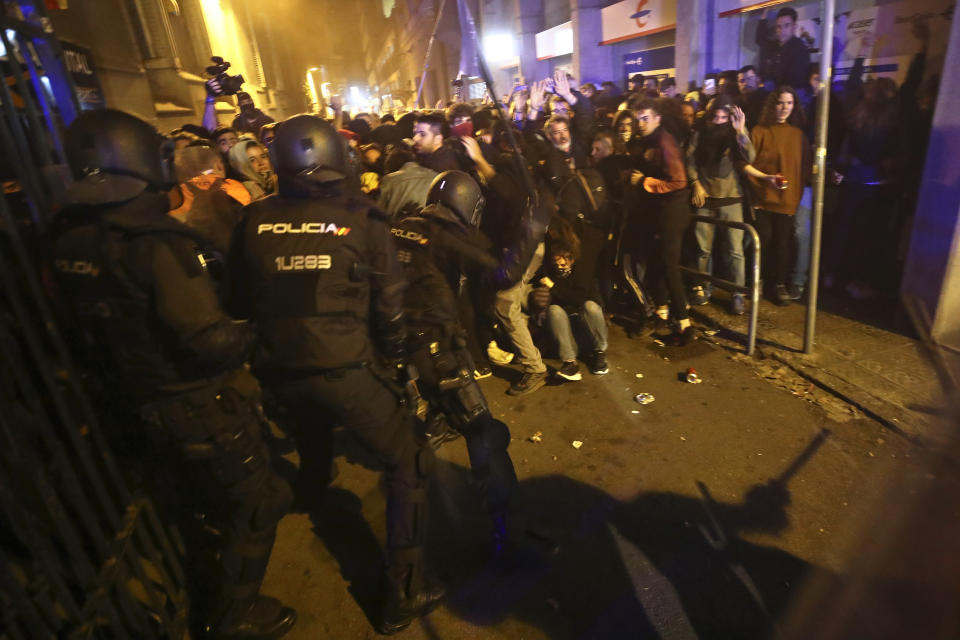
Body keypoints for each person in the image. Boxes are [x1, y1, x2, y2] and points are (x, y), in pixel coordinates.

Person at [49, 109, 296, 640]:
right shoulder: (153, 241)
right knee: (259, 500)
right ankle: (231, 617)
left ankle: (202, 581)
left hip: (125, 398)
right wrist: (257, 332)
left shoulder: (67, 234)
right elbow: (206, 338)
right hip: (193, 402)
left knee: (190, 503)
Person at [228, 115, 444, 634]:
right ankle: (403, 590)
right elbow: (390, 304)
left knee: (310, 423)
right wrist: (394, 362)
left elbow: (236, 300)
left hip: (277, 368)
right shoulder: (363, 216)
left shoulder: (253, 221)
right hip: (343, 367)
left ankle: (314, 484)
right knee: (408, 459)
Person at [391, 170, 545, 554]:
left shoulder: (402, 226)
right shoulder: (441, 235)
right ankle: (510, 536)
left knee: (431, 419)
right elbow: (504, 273)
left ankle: (436, 427)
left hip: (399, 349)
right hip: (436, 352)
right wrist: (534, 224)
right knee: (485, 436)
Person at [686, 104, 770, 315]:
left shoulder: (735, 135)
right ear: (709, 118)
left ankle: (737, 294)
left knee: (735, 250)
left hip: (731, 199)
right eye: (717, 116)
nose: (720, 121)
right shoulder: (700, 134)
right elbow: (689, 159)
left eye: (725, 117)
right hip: (705, 199)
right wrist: (695, 182)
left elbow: (749, 157)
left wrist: (741, 130)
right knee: (702, 249)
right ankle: (703, 287)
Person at [626, 99, 698, 343]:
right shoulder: (649, 141)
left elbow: (678, 181)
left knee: (669, 265)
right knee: (657, 263)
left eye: (645, 118)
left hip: (672, 212)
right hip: (660, 211)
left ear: (657, 118)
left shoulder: (663, 141)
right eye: (638, 119)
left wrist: (644, 182)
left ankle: (684, 322)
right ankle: (662, 312)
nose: (640, 123)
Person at [748, 87, 811, 304]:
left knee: (783, 244)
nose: (784, 108)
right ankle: (759, 281)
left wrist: (795, 195)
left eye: (789, 103)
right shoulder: (759, 131)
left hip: (787, 199)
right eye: (780, 103)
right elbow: (749, 163)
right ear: (772, 104)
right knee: (763, 241)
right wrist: (756, 194)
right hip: (763, 197)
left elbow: (802, 169)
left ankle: (779, 284)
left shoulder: (798, 135)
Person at [531, 217, 609, 379]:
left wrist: (554, 287)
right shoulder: (549, 268)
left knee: (591, 306)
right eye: (556, 264)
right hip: (566, 336)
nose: (559, 268)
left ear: (572, 260)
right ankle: (570, 363)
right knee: (554, 310)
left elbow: (578, 298)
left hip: (586, 330)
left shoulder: (582, 270)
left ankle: (600, 352)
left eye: (563, 265)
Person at [169, 145, 251, 256]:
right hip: (238, 249)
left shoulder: (176, 193)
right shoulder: (234, 186)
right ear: (218, 165)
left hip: (194, 252)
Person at [756, 7, 811, 90]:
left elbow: (795, 82)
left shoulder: (800, 49)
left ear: (794, 26)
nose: (782, 30)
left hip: (788, 96)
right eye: (779, 26)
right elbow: (760, 40)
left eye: (787, 25)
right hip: (771, 94)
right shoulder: (775, 45)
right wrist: (763, 17)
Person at [378, 146, 438, 219]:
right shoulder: (435, 176)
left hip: (398, 227)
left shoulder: (389, 179)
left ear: (391, 165)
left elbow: (379, 211)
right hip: (428, 225)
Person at [737, 64, 769, 130]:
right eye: (742, 80)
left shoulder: (768, 99)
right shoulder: (736, 102)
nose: (745, 83)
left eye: (749, 79)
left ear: (758, 80)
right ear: (738, 84)